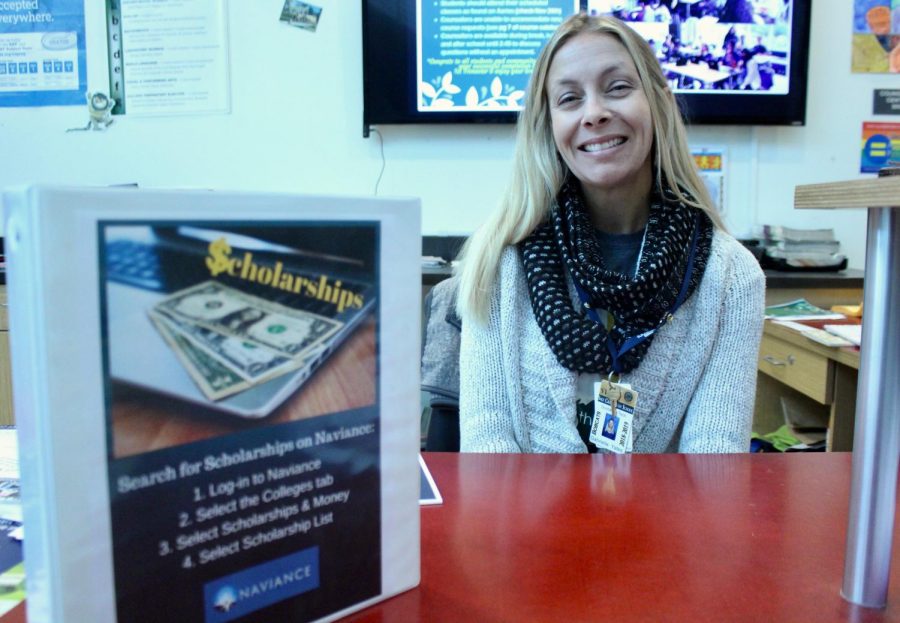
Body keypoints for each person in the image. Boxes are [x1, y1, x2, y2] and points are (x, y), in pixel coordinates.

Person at [453, 14, 765, 454]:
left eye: (617, 88)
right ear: (548, 124)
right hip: (522, 522)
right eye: (569, 98)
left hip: (664, 521)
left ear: (658, 103)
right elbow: (488, 446)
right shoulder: (499, 261)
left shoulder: (731, 276)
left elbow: (714, 458)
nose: (595, 113)